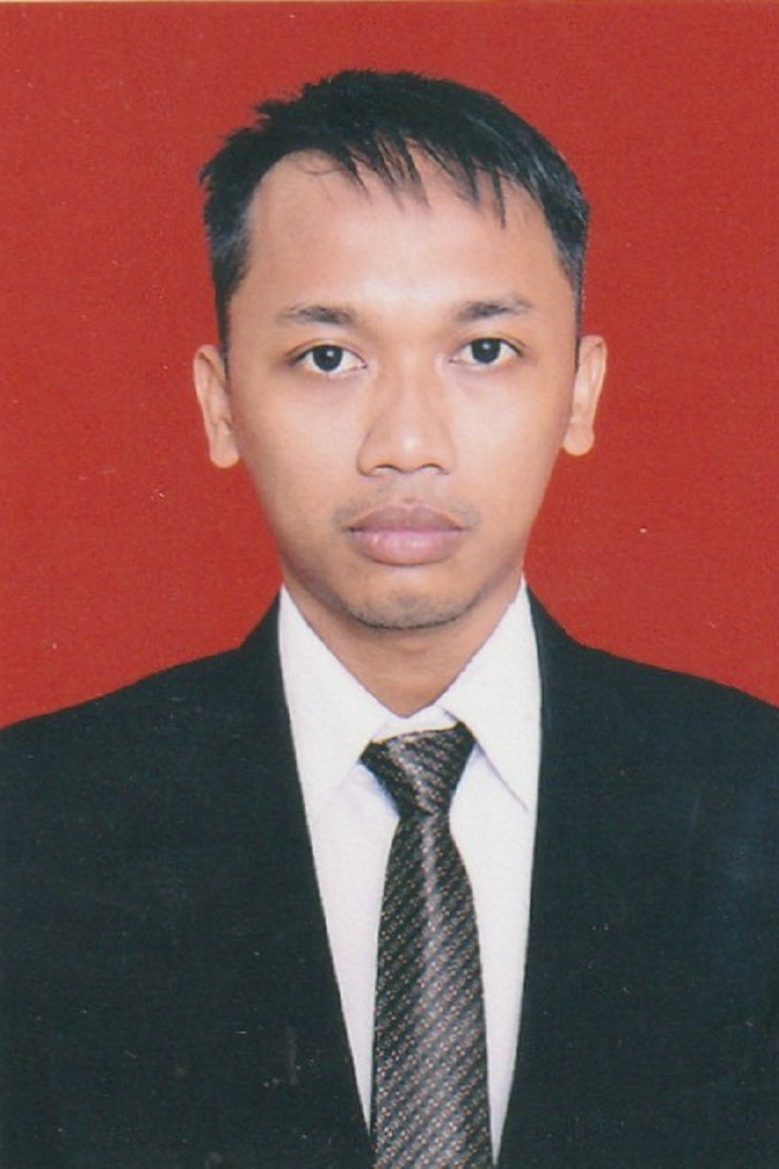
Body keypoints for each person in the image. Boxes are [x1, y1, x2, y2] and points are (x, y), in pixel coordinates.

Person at [1, 70, 777, 1169]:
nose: (405, 442)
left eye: (483, 350)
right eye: (328, 356)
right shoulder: (32, 830)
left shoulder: (754, 804)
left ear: (579, 390)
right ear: (221, 404)